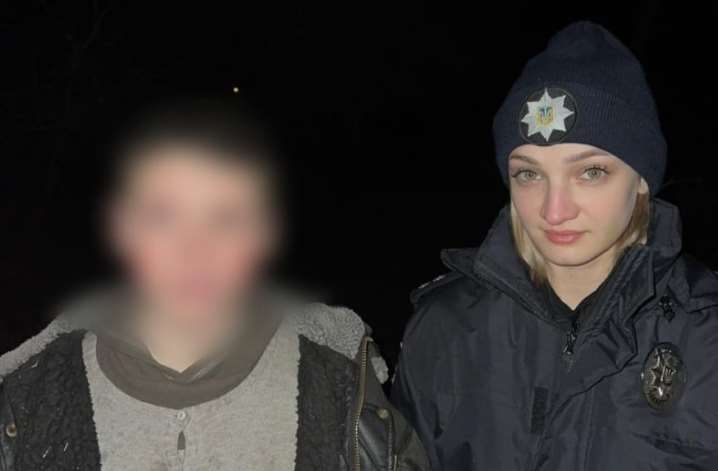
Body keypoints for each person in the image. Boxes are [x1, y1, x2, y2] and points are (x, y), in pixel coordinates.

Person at [0, 98, 428, 470]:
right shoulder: (28, 398)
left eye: (226, 219)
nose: (194, 249)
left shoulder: (341, 390)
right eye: (162, 216)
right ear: (122, 230)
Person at [392, 21, 718, 470]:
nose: (554, 210)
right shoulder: (443, 330)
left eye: (590, 172)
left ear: (641, 181)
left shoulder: (706, 335)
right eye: (529, 174)